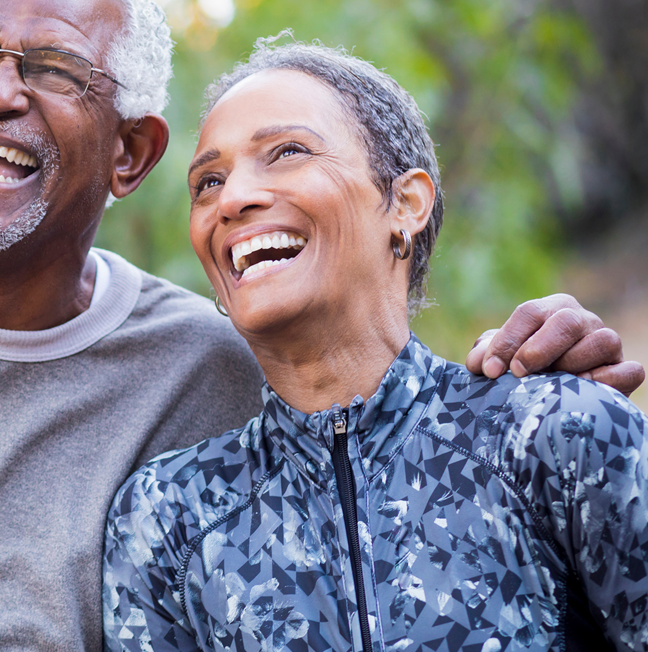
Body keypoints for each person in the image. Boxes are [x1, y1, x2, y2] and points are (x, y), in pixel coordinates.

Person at [0, 0, 639, 652]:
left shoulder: (214, 375)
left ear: (130, 155)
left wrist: (539, 388)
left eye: (53, 69)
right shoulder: (175, 510)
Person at [103, 38, 648, 652]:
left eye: (287, 152)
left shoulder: (553, 434)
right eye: (208, 182)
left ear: (406, 204)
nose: (231, 199)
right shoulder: (166, 519)